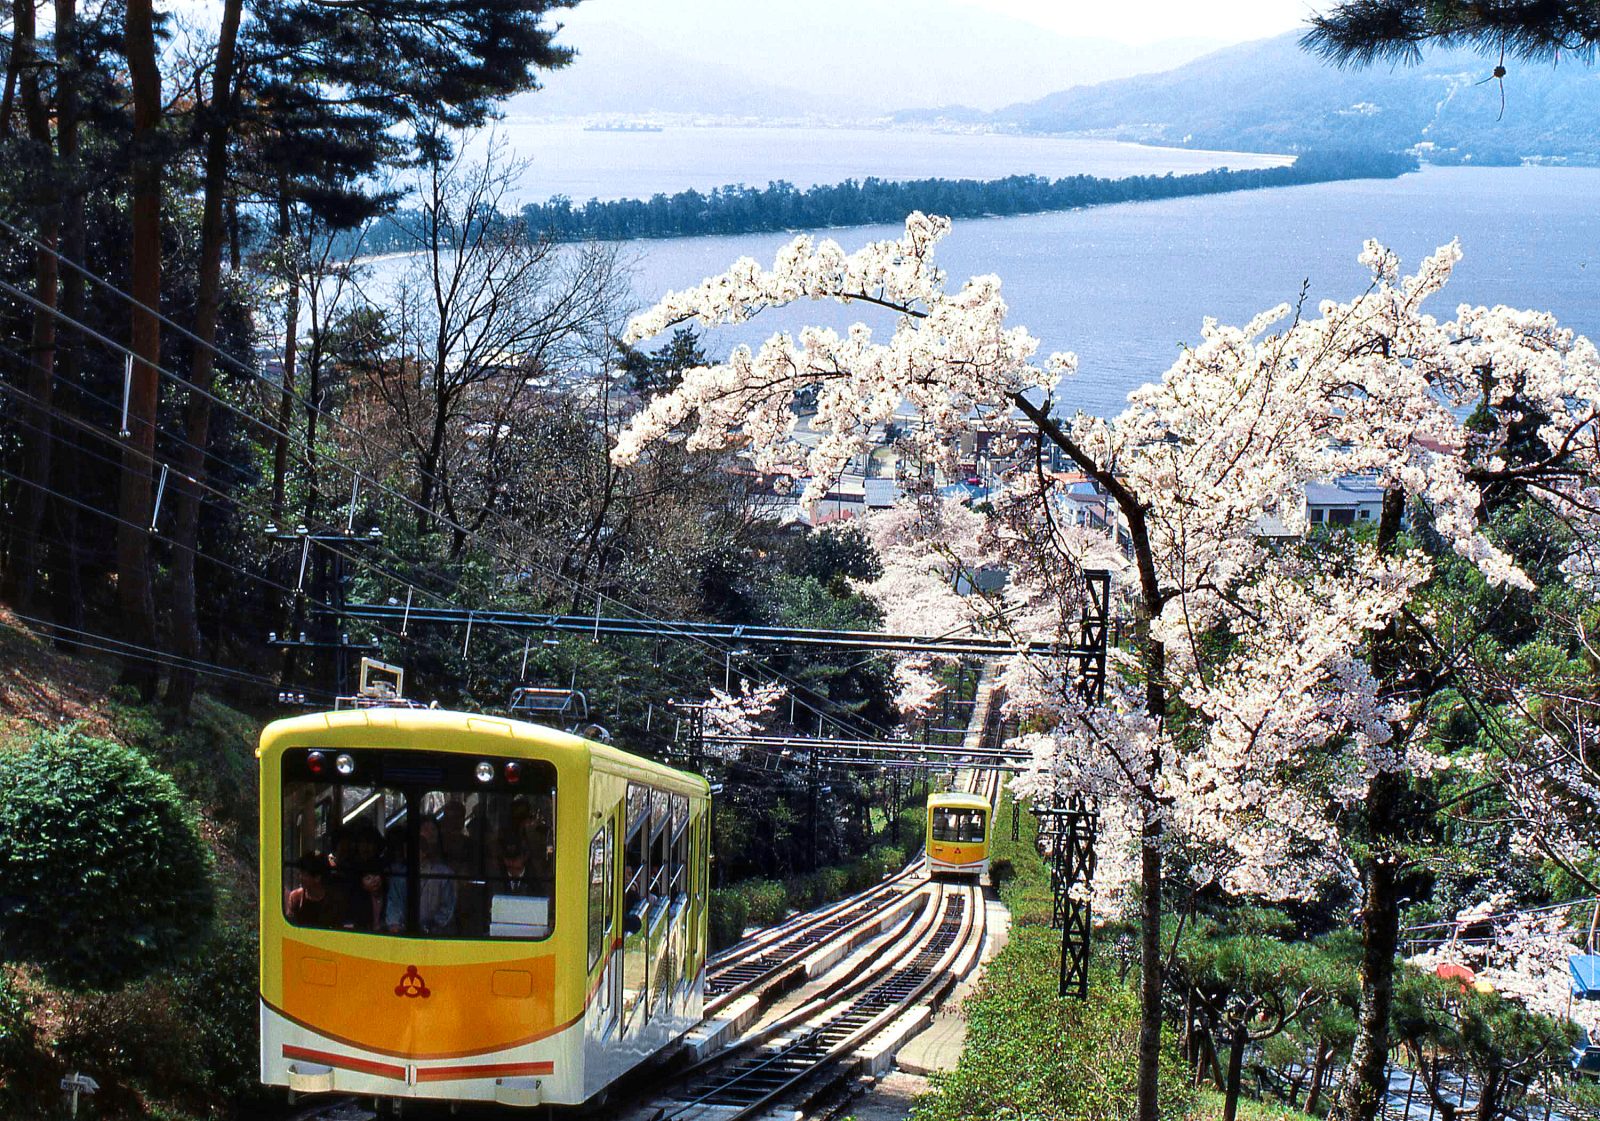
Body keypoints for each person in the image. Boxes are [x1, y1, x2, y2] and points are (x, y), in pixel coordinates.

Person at [384, 819, 457, 934]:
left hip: (436, 936)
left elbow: (447, 908)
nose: (409, 852)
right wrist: (395, 925)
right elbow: (394, 903)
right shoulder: (399, 876)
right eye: (406, 849)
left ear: (424, 851)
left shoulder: (444, 874)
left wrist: (430, 927)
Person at [286, 852, 343, 928]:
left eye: (305, 874)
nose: (300, 878)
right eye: (300, 873)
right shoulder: (295, 897)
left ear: (317, 878)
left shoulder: (334, 900)